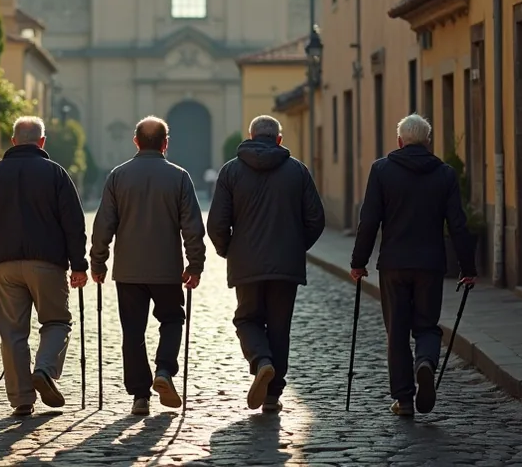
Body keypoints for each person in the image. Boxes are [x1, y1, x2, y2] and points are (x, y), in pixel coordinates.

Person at [350, 113, 477, 417]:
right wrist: (468, 267)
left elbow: (369, 220)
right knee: (427, 326)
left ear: (399, 141)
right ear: (428, 142)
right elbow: (458, 224)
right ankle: (425, 362)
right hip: (431, 265)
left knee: (396, 331)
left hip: (393, 265)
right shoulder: (444, 174)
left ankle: (404, 399)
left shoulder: (381, 171)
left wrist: (358, 262)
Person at [0, 116, 89, 418]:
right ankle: (45, 370)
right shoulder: (56, 174)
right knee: (57, 322)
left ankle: (22, 399)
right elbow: (74, 223)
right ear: (42, 142)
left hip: (6, 266)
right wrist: (79, 265)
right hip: (48, 264)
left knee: (12, 333)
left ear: (13, 141)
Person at [207, 115, 325, 413]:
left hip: (246, 263)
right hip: (286, 264)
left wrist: (228, 250)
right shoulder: (298, 171)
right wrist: (296, 247)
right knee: (279, 326)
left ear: (250, 135)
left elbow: (217, 223)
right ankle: (273, 395)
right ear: (279, 139)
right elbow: (316, 219)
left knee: (246, 319)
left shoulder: (231, 171)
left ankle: (261, 361)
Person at [90, 116, 206, 416]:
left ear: (136, 141)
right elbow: (192, 226)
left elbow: (104, 224)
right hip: (167, 269)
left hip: (128, 270)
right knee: (172, 320)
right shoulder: (179, 177)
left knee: (133, 331)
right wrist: (195, 264)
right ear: (166, 143)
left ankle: (140, 396)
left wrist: (98, 261)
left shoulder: (118, 176)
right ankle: (164, 370)